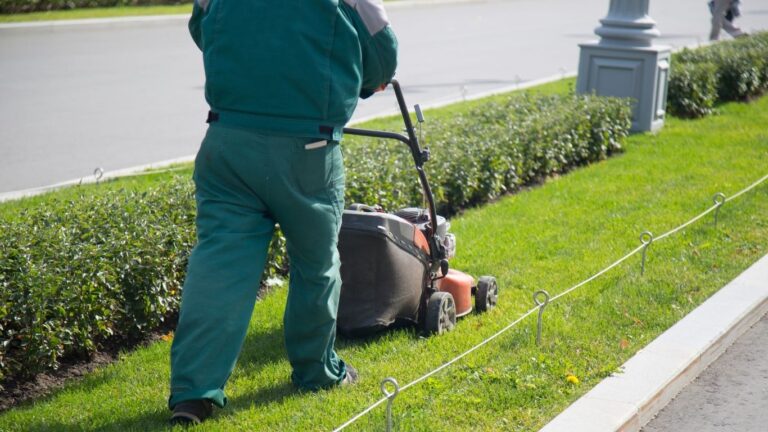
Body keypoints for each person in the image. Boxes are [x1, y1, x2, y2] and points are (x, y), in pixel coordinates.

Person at [167, 0, 397, 425]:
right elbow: (383, 58)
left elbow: (203, 31)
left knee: (219, 266)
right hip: (308, 149)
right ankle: (317, 372)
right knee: (315, 264)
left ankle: (193, 393)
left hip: (228, 142)